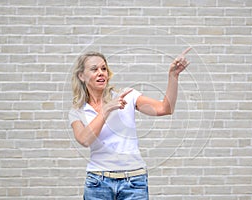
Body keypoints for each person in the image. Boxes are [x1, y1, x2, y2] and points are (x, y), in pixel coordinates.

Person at [68, 48, 190, 200]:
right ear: (81, 76)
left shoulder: (127, 96)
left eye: (104, 68)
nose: (101, 72)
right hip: (98, 183)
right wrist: (106, 110)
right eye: (94, 69)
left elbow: (165, 108)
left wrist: (173, 76)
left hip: (134, 182)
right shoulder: (77, 111)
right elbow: (85, 140)